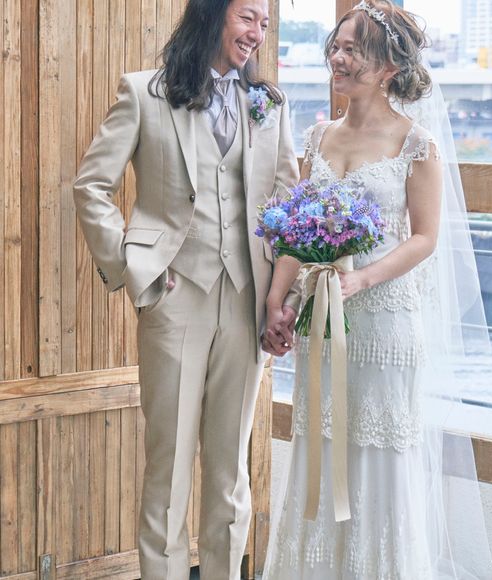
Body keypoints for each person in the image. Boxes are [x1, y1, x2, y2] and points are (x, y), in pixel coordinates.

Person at [262, 1, 492, 578]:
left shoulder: (416, 143)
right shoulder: (319, 137)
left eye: (353, 51)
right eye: (336, 47)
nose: (338, 59)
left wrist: (362, 278)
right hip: (321, 321)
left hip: (386, 324)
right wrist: (277, 301)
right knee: (319, 448)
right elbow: (297, 231)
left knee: (378, 455)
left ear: (389, 68)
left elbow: (425, 238)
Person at [73, 0, 299, 578]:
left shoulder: (269, 106)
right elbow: (92, 185)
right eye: (247, 17)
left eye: (265, 23)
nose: (257, 33)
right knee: (169, 468)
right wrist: (133, 265)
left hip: (247, 300)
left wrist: (283, 300)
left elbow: (287, 209)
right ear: (212, 13)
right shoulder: (143, 92)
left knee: (230, 472)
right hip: (174, 300)